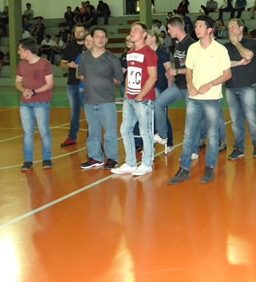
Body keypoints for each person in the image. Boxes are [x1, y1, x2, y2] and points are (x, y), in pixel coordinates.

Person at [168, 15, 231, 185]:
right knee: (189, 134)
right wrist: (190, 85)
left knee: (212, 134)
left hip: (212, 99)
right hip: (194, 98)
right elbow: (189, 70)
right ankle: (184, 169)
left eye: (200, 26)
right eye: (195, 26)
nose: (196, 29)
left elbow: (227, 74)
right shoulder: (193, 49)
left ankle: (209, 167)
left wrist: (210, 84)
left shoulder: (220, 50)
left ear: (210, 30)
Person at [111, 22, 158, 176]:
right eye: (131, 30)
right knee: (125, 129)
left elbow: (153, 77)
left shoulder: (149, 53)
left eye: (136, 30)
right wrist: (126, 93)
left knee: (145, 131)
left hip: (142, 100)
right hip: (129, 98)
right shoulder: (130, 53)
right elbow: (129, 74)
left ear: (144, 34)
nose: (132, 32)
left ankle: (147, 163)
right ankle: (130, 162)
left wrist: (140, 95)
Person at [78, 27, 124, 170]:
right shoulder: (84, 57)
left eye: (103, 36)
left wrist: (104, 84)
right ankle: (95, 157)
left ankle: (112, 158)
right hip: (89, 100)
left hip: (106, 101)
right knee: (93, 131)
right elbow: (81, 75)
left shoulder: (112, 58)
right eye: (97, 36)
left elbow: (119, 78)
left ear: (107, 39)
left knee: (109, 131)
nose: (101, 39)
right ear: (92, 39)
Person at [152, 16, 195, 152]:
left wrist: (176, 71)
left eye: (169, 29)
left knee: (192, 119)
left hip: (190, 86)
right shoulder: (178, 46)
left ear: (176, 28)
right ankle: (163, 135)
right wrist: (171, 74)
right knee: (158, 104)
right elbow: (178, 66)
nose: (168, 31)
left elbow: (195, 68)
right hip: (178, 85)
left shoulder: (192, 45)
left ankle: (194, 149)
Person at [225, 18, 256, 160]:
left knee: (251, 117)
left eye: (232, 27)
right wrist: (239, 63)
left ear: (241, 28)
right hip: (230, 87)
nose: (230, 30)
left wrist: (237, 43)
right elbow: (223, 63)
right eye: (228, 28)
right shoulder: (226, 47)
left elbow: (248, 55)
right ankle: (239, 147)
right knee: (236, 121)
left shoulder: (251, 43)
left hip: (247, 86)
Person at [15, 38, 54, 171]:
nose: (18, 52)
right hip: (25, 103)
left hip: (41, 102)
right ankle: (27, 160)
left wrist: (33, 91)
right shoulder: (21, 64)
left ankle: (47, 158)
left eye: (20, 50)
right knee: (27, 132)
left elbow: (49, 84)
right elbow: (18, 82)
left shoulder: (45, 64)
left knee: (44, 131)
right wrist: (24, 90)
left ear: (27, 52)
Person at [59, 24, 87, 147]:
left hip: (87, 84)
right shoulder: (69, 46)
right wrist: (68, 65)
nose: (78, 34)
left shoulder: (89, 46)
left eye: (81, 31)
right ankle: (72, 137)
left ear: (86, 32)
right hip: (72, 83)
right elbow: (62, 63)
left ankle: (93, 138)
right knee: (74, 111)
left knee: (89, 111)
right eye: (76, 32)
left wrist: (79, 66)